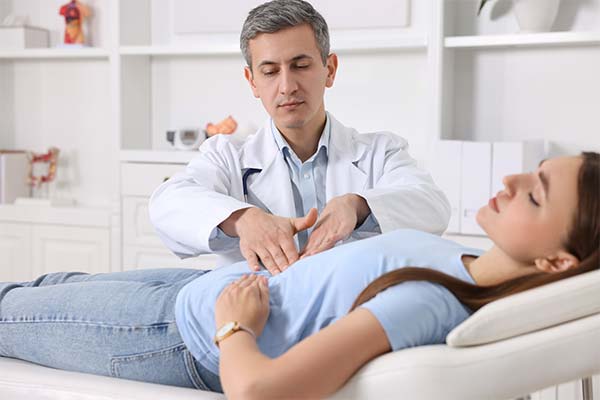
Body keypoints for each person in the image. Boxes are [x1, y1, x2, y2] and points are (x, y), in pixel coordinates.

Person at [0, 152, 598, 398]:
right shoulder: (457, 262)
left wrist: (235, 328)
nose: (513, 182)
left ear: (556, 263)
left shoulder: (433, 301)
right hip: (193, 290)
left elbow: (260, 391)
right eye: (533, 172)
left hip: (180, 334)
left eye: (536, 197)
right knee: (41, 287)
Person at [148, 0, 451, 273]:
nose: (287, 86)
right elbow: (167, 204)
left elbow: (433, 207)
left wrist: (358, 207)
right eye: (269, 71)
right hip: (258, 317)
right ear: (252, 81)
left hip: (350, 312)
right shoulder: (226, 155)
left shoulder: (379, 152)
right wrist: (243, 219)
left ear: (329, 69)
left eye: (301, 65)